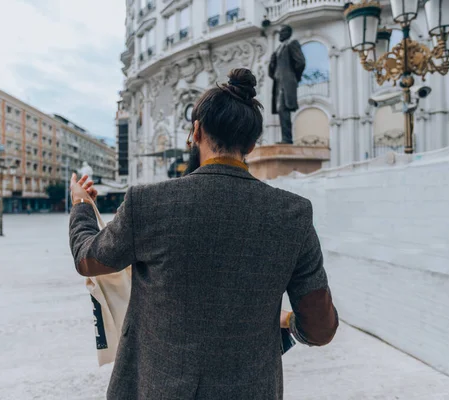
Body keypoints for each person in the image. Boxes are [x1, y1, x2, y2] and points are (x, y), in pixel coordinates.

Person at [69, 68, 338, 400]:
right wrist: (287, 323)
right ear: (252, 144)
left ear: (196, 131)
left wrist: (81, 204)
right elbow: (320, 327)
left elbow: (88, 259)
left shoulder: (148, 203)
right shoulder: (293, 214)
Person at [269, 25, 306, 144]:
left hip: (287, 82)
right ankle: (285, 138)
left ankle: (287, 139)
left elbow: (300, 62)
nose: (280, 34)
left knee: (284, 109)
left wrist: (294, 77)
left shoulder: (292, 44)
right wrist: (272, 62)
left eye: (282, 32)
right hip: (279, 83)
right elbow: (272, 71)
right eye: (279, 32)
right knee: (281, 110)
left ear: (288, 33)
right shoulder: (278, 49)